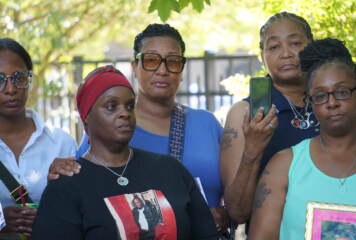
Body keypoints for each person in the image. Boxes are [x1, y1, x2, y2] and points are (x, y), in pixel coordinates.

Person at [49, 24, 228, 233]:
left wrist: (226, 213)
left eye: (173, 61)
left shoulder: (206, 124)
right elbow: (83, 188)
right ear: (135, 67)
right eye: (151, 60)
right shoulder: (112, 129)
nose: (162, 70)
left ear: (181, 69)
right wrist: (60, 170)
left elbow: (235, 196)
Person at [32, 65, 218, 239]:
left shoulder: (170, 169)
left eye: (129, 106)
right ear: (87, 116)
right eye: (111, 106)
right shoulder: (66, 185)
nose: (125, 113)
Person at [248, 38, 356, 239]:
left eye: (342, 92)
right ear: (310, 103)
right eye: (320, 96)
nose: (331, 103)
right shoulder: (284, 166)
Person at [220, 12, 320, 223]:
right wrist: (253, 150)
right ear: (262, 56)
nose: (285, 54)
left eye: (295, 43)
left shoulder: (333, 103)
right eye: (274, 47)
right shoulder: (245, 113)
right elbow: (237, 212)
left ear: (312, 46)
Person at [0, 38, 77, 238]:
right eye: (0, 79)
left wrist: (48, 215)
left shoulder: (61, 143)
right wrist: (1, 220)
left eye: (19, 77)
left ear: (29, 79)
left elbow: (80, 208)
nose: (11, 89)